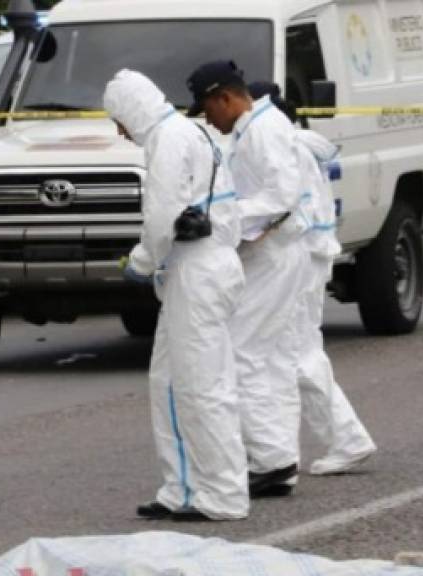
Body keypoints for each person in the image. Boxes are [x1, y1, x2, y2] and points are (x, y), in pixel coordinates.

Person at [102, 69, 249, 522]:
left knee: (202, 387)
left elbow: (163, 211)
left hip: (197, 271)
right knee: (167, 383)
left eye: (118, 119)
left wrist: (141, 261)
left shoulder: (169, 140)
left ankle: (222, 493)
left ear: (132, 110)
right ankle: (181, 487)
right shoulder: (191, 134)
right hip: (202, 267)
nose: (118, 130)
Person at [186, 62, 309, 498]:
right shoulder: (251, 128)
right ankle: (278, 459)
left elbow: (281, 197)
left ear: (225, 98)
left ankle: (271, 460)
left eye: (206, 109)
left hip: (272, 254)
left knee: (242, 355)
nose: (206, 119)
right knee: (270, 358)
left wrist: (221, 217)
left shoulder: (262, 129)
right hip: (270, 253)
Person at [247, 81, 377, 475]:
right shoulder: (301, 143)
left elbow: (279, 210)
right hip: (312, 254)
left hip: (298, 257)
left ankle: (342, 440)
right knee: (296, 353)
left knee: (296, 355)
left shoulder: (283, 147)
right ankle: (335, 440)